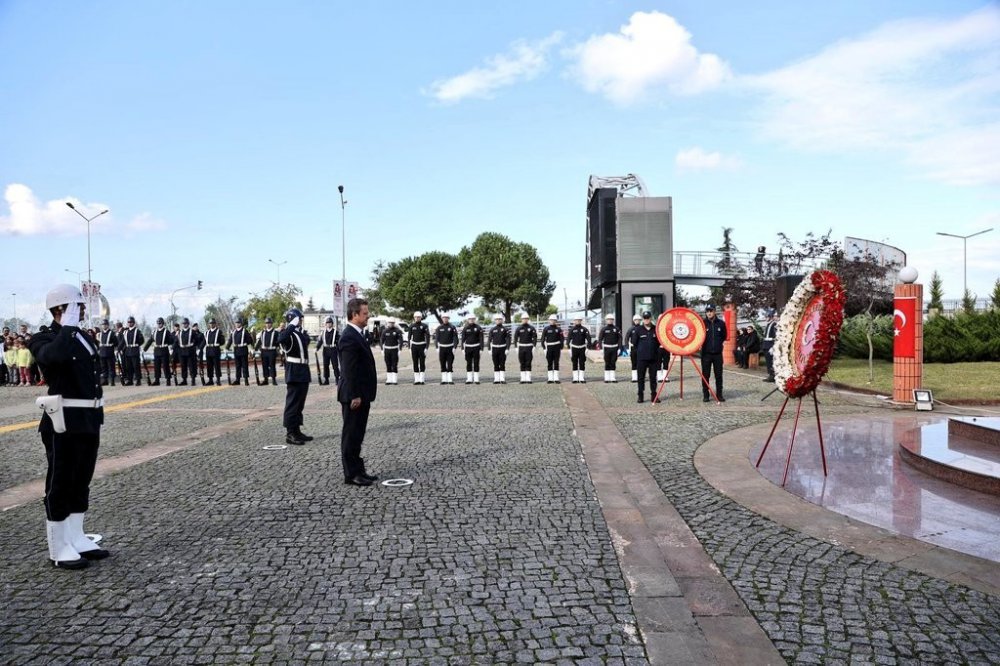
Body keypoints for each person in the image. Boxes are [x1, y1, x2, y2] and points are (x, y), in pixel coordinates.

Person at [29, 284, 110, 569]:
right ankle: (58, 546)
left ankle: (76, 537)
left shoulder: (82, 336)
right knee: (60, 482)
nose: (83, 310)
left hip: (88, 418)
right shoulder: (44, 337)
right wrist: (67, 328)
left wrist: (73, 329)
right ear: (62, 308)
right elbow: (53, 358)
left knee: (81, 481)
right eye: (78, 306)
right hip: (62, 421)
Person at [337, 298, 378, 486]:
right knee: (351, 434)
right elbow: (348, 370)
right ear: (354, 315)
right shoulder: (348, 336)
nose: (367, 316)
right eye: (364, 313)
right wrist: (354, 395)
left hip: (362, 393)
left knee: (358, 433)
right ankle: (351, 474)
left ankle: (358, 469)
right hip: (354, 395)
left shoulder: (358, 334)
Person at [277, 307, 313, 445]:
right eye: (299, 319)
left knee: (299, 403)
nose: (301, 321)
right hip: (294, 370)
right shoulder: (288, 334)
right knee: (292, 403)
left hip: (302, 370)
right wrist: (291, 324)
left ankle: (297, 430)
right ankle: (290, 433)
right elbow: (281, 338)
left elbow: (307, 340)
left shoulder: (298, 333)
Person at [630, 312, 660, 403]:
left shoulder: (656, 329)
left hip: (653, 358)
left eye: (648, 318)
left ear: (651, 318)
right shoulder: (638, 330)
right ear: (643, 319)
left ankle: (654, 395)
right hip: (642, 358)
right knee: (641, 377)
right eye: (645, 318)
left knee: (653, 378)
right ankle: (640, 395)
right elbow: (634, 343)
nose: (646, 320)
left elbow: (659, 342)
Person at [701, 304, 727, 402]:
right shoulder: (702, 323)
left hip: (717, 354)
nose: (709, 313)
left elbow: (724, 336)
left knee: (719, 375)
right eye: (707, 311)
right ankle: (706, 395)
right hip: (706, 354)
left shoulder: (721, 323)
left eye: (711, 311)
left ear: (715, 311)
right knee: (705, 375)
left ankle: (719, 395)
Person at [142, 317, 174, 386]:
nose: (159, 325)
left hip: (164, 350)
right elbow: (150, 340)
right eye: (158, 323)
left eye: (160, 323)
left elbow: (171, 340)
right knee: (156, 366)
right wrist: (145, 349)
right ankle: (157, 380)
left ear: (163, 324)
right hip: (157, 351)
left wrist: (170, 346)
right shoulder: (154, 332)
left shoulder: (166, 332)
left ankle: (168, 380)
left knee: (166, 366)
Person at [119, 316, 144, 386]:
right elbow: (123, 342)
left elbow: (142, 340)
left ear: (133, 323)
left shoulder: (137, 331)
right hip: (128, 351)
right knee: (128, 367)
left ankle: (138, 380)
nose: (130, 323)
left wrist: (136, 344)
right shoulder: (126, 332)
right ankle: (130, 380)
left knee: (136, 366)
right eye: (128, 322)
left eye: (131, 322)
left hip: (134, 350)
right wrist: (118, 349)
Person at [316, 316, 341, 386]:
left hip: (333, 349)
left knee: (335, 365)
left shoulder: (335, 332)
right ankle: (326, 379)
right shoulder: (323, 332)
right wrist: (317, 348)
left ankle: (337, 379)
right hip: (325, 350)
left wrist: (340, 349)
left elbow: (339, 342)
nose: (328, 324)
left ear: (332, 324)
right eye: (327, 323)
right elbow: (321, 341)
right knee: (325, 365)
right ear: (325, 324)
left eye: (330, 323)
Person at [228, 318, 254, 386]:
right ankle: (237, 380)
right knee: (238, 366)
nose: (237, 324)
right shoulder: (233, 332)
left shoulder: (245, 331)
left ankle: (246, 380)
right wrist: (226, 348)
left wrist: (247, 343)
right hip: (236, 350)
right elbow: (230, 340)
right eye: (236, 323)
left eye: (238, 323)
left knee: (244, 365)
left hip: (243, 350)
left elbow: (250, 340)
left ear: (241, 323)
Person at [435, 314, 459, 385]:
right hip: (442, 348)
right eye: (444, 318)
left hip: (450, 348)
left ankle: (450, 379)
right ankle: (444, 379)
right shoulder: (439, 328)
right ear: (442, 319)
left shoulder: (452, 327)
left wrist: (454, 347)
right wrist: (437, 347)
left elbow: (455, 338)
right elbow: (436, 339)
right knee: (442, 363)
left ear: (448, 318)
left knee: (450, 363)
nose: (445, 319)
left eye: (446, 318)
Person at [567, 315, 592, 383]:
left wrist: (588, 348)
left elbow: (589, 338)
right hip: (574, 348)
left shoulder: (584, 329)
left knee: (582, 362)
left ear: (581, 321)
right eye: (576, 320)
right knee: (574, 362)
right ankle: (575, 378)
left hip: (582, 348)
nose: (577, 321)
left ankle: (581, 378)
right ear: (574, 321)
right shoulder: (572, 329)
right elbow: (568, 339)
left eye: (579, 320)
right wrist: (569, 348)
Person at [460, 314, 484, 384]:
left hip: (476, 347)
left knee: (476, 363)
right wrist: (462, 348)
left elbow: (481, 339)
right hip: (468, 348)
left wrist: (481, 349)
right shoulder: (465, 328)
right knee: (468, 363)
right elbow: (463, 339)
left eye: (473, 319)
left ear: (475, 319)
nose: (471, 320)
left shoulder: (479, 328)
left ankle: (476, 379)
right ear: (468, 320)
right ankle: (469, 379)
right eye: (470, 319)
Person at [408, 311, 430, 385]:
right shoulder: (411, 326)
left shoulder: (424, 326)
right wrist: (409, 347)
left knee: (422, 362)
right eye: (416, 317)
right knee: (415, 362)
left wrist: (426, 348)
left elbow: (428, 337)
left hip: (422, 345)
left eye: (418, 317)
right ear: (414, 318)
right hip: (414, 346)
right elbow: (409, 337)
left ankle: (422, 379)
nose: (417, 318)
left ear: (421, 318)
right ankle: (416, 379)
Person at [513, 313, 537, 384]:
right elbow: (515, 338)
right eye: (523, 319)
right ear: (521, 319)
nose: (525, 320)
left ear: (528, 319)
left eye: (526, 318)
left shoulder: (532, 328)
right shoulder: (519, 328)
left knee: (528, 362)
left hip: (529, 347)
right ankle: (523, 378)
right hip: (521, 347)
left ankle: (528, 378)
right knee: (522, 362)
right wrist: (516, 347)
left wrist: (534, 346)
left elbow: (535, 338)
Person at [598, 314, 622, 383]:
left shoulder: (616, 329)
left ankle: (612, 378)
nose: (610, 321)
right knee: (607, 362)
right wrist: (601, 348)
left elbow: (620, 338)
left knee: (613, 362)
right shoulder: (604, 329)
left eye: (611, 319)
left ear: (613, 320)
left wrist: (619, 348)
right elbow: (600, 339)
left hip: (614, 348)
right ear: (606, 320)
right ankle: (607, 378)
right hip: (606, 348)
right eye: (608, 319)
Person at [256, 317, 280, 386]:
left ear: (271, 324)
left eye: (269, 323)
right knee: (264, 365)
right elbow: (259, 341)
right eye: (266, 323)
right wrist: (255, 349)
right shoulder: (263, 332)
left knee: (272, 365)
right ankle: (265, 379)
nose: (268, 324)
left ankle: (273, 379)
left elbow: (278, 341)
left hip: (272, 351)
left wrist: (279, 349)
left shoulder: (275, 332)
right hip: (264, 351)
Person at [541, 314, 564, 383]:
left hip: (557, 348)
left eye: (554, 320)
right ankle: (550, 378)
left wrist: (561, 346)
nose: (552, 321)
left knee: (556, 362)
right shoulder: (546, 329)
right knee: (549, 363)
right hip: (549, 347)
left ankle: (556, 378)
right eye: (551, 320)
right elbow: (542, 339)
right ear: (549, 321)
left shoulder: (559, 329)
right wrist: (544, 348)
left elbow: (562, 339)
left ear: (556, 321)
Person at [380, 319, 404, 385]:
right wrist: (382, 349)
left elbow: (401, 340)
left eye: (392, 323)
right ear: (388, 323)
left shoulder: (397, 331)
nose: (391, 324)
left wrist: (400, 349)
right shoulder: (385, 331)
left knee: (394, 364)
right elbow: (381, 340)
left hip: (394, 349)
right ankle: (389, 379)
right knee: (388, 364)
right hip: (387, 350)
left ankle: (394, 380)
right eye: (390, 323)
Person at [487, 313, 510, 384]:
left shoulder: (505, 329)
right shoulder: (492, 329)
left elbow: (508, 340)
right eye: (497, 319)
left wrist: (507, 349)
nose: (498, 321)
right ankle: (496, 379)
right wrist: (489, 349)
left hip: (503, 348)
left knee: (502, 364)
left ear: (502, 320)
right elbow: (489, 340)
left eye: (500, 319)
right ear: (495, 320)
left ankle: (502, 379)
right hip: (495, 349)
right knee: (496, 364)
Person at [176, 318, 199, 385]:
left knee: (191, 366)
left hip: (190, 351)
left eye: (185, 323)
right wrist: (172, 349)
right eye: (183, 324)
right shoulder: (179, 332)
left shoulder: (192, 331)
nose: (184, 325)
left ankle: (193, 379)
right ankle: (184, 380)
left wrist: (196, 348)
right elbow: (177, 342)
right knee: (183, 366)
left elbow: (197, 340)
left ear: (188, 324)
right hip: (182, 351)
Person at [203, 318, 225, 385]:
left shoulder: (219, 331)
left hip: (215, 350)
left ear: (215, 324)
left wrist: (217, 344)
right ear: (209, 324)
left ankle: (218, 379)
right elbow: (204, 341)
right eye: (210, 323)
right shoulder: (206, 332)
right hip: (208, 350)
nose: (211, 324)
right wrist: (200, 349)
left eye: (213, 323)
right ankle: (210, 380)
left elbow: (222, 341)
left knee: (217, 365)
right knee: (209, 366)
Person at [96, 319, 118, 386]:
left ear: (108, 325)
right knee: (103, 367)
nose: (104, 326)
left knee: (111, 367)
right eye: (103, 325)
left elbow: (116, 342)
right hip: (102, 353)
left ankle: (112, 380)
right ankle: (105, 380)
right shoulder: (100, 333)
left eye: (105, 325)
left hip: (109, 352)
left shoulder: (112, 333)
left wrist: (113, 349)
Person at [761, 309, 778, 382]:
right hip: (766, 344)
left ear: (770, 316)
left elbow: (775, 336)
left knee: (771, 361)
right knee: (768, 361)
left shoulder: (774, 324)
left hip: (770, 344)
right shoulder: (768, 324)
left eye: (766, 316)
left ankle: (772, 375)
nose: (765, 318)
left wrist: (773, 346)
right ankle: (770, 374)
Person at [626, 314, 642, 382]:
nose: (637, 321)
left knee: (640, 363)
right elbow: (626, 338)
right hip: (633, 348)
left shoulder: (642, 328)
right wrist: (627, 348)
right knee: (634, 363)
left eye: (638, 320)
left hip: (641, 349)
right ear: (633, 320)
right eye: (636, 320)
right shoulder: (631, 329)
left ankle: (640, 377)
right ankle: (634, 377)